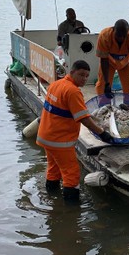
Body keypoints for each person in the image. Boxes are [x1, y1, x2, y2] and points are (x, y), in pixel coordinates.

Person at [36, 60, 113, 202]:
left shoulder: (55, 84)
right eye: (81, 75)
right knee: (71, 173)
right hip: (59, 141)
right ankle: (71, 210)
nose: (84, 79)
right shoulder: (73, 91)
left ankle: (51, 198)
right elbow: (84, 119)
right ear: (71, 72)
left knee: (54, 169)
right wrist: (102, 133)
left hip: (45, 136)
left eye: (86, 76)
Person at [95, 19, 129, 101]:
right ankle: (103, 105)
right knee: (102, 87)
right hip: (108, 62)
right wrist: (107, 83)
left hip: (125, 63)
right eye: (118, 35)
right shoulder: (104, 36)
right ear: (113, 30)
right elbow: (103, 60)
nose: (121, 38)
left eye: (124, 35)